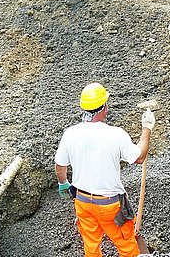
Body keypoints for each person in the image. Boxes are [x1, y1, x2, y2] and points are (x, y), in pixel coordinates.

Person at [54, 83, 154, 257]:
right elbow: (139, 157)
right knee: (126, 246)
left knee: (91, 247)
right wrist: (147, 128)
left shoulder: (70, 133)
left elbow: (60, 166)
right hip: (110, 206)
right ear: (104, 108)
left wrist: (63, 183)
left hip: (83, 203)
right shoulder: (115, 134)